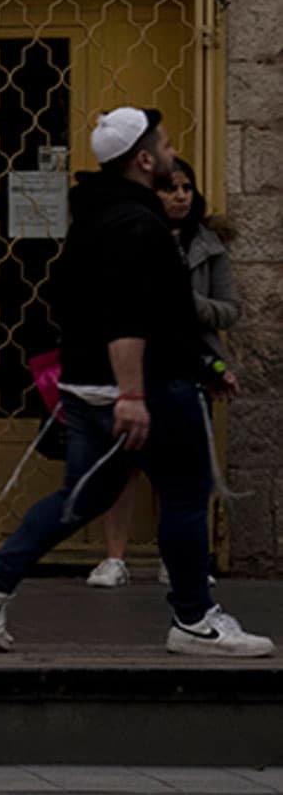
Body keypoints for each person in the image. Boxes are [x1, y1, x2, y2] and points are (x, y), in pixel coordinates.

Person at [0, 110, 268, 658]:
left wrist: (207, 368)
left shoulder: (93, 220)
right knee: (187, 494)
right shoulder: (138, 226)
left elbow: (145, 312)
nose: (171, 153)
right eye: (164, 146)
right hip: (143, 389)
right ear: (143, 159)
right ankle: (195, 620)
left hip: (86, 388)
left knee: (88, 493)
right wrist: (134, 395)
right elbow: (129, 316)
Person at [89, 154, 239, 589]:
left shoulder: (208, 247)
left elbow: (229, 311)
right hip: (133, 366)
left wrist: (188, 302)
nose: (179, 196)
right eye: (170, 188)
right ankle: (113, 558)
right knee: (123, 464)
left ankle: (175, 560)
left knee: (178, 470)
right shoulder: (133, 235)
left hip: (189, 367)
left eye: (186, 189)